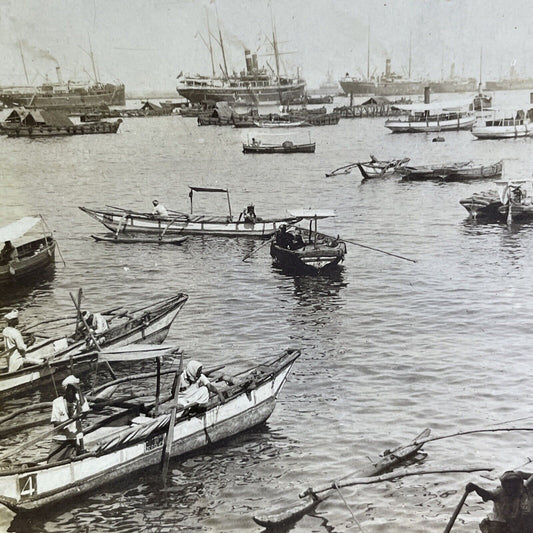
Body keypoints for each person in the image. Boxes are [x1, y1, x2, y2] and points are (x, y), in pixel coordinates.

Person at [466, 471, 533, 533]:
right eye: (509, 487)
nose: (512, 489)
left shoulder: (522, 490)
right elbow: (487, 494)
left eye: (515, 487)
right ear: (504, 486)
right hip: (500, 524)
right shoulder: (499, 492)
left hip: (515, 522)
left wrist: (521, 474)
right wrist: (476, 488)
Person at [48, 375, 90, 463]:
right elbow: (56, 423)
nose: (72, 392)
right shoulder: (57, 402)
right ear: (66, 390)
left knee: (73, 461)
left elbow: (85, 412)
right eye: (70, 390)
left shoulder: (79, 401)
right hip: (60, 440)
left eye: (74, 390)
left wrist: (79, 391)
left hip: (73, 441)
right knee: (51, 463)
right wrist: (72, 419)